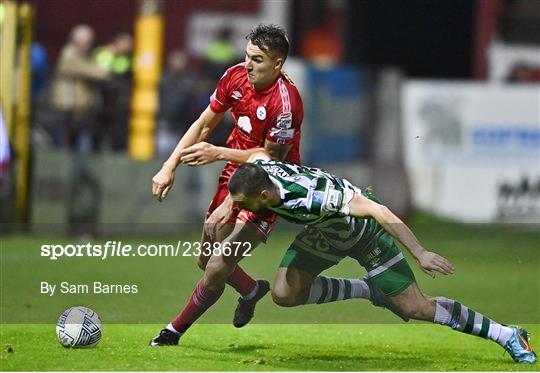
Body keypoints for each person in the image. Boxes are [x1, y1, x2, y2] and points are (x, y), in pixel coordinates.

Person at [202, 151, 536, 364]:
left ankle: (506, 335)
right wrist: (226, 196)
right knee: (284, 294)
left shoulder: (319, 200)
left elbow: (378, 210)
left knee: (415, 307)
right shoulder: (261, 173)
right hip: (326, 234)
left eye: (243, 204)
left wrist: (419, 252)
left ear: (263, 195)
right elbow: (257, 155)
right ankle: (368, 290)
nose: (239, 210)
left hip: (364, 235)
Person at [150, 24, 304, 345]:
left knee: (219, 265)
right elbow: (204, 123)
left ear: (278, 64)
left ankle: (171, 333)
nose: (248, 65)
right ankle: (251, 289)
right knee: (206, 261)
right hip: (235, 173)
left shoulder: (286, 105)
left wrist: (230, 201)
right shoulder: (234, 76)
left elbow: (270, 160)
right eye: (247, 56)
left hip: (269, 187)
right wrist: (169, 166)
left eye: (258, 60)